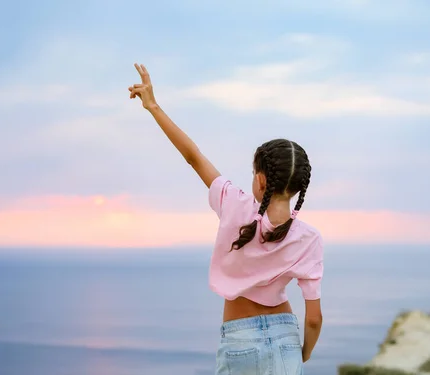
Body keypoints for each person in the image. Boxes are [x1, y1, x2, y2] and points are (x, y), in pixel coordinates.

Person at [129, 63, 323, 375]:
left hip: (239, 337)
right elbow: (314, 318)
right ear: (300, 186)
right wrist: (303, 353)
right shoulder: (310, 238)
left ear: (260, 180)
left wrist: (153, 106)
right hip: (287, 337)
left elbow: (193, 156)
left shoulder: (232, 203)